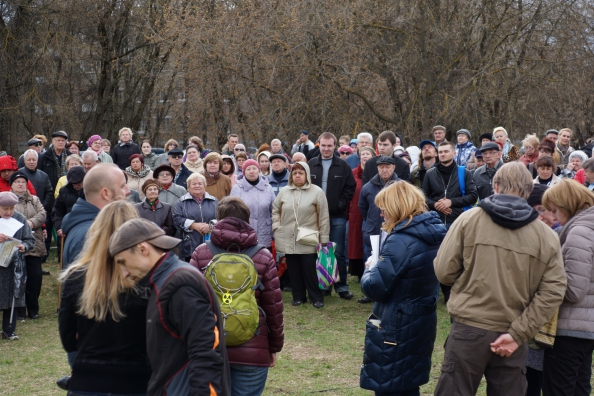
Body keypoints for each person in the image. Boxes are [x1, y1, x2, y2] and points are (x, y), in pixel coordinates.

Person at [433, 162, 567, 395]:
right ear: (528, 191)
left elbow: (444, 271)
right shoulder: (546, 235)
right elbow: (553, 291)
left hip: (468, 329)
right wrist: (519, 334)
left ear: (495, 185)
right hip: (512, 331)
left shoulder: (468, 220)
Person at [110, 218, 230, 395]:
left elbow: (206, 352)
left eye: (123, 262)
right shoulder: (162, 281)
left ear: (143, 249)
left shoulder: (179, 285)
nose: (124, 273)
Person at [360, 181, 447, 396]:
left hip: (395, 326)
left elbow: (374, 288)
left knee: (390, 385)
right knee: (407, 384)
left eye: (384, 208)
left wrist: (371, 267)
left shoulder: (401, 240)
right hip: (419, 321)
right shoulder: (431, 234)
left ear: (397, 206)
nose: (381, 214)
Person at [190, 197, 284, 396]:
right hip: (253, 349)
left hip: (209, 348)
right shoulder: (263, 255)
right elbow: (273, 307)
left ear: (217, 220)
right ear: (247, 221)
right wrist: (273, 347)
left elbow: (189, 304)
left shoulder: (201, 253)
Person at [58, 200, 152, 394]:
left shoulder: (76, 276)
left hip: (88, 380)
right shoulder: (148, 278)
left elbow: (68, 338)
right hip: (137, 381)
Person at [541, 180, 594, 395]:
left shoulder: (578, 232)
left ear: (567, 204)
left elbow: (574, 290)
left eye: (554, 210)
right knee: (580, 387)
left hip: (571, 327)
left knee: (559, 388)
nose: (553, 217)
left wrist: (544, 279)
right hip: (586, 326)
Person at [272, 162, 329, 308]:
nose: (297, 175)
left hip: (308, 238)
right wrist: (277, 226)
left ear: (307, 175)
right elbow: (276, 209)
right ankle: (298, 296)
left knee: (310, 269)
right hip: (289, 237)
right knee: (294, 269)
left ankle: (316, 297)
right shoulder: (284, 191)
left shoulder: (317, 192)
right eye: (295, 173)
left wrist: (324, 238)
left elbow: (323, 217)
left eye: (301, 173)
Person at [308, 132, 356, 300]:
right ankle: (324, 285)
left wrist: (340, 204)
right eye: (323, 145)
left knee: (338, 252)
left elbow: (350, 187)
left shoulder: (343, 166)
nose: (326, 149)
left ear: (334, 146)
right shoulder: (311, 164)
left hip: (337, 216)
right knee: (319, 251)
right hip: (315, 217)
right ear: (318, 145)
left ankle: (341, 286)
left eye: (329, 146)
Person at [61, 163, 130, 268]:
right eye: (122, 186)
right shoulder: (89, 236)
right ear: (105, 193)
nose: (128, 191)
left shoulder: (94, 226)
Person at [10, 172, 46, 320]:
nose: (20, 184)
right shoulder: (7, 200)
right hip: (16, 244)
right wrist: (24, 225)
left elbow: (42, 213)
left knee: (35, 277)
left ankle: (33, 308)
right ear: (11, 184)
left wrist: (31, 223)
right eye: (17, 182)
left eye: (23, 182)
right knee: (17, 278)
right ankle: (19, 310)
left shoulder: (34, 199)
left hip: (34, 243)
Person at [0, 192, 34, 340]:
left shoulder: (20, 219)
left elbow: (30, 240)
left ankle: (8, 329)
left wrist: (24, 246)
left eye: (11, 209)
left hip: (13, 265)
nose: (8, 212)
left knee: (11, 296)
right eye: (4, 209)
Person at [422, 141, 478, 229]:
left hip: (458, 221)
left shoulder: (464, 172)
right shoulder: (429, 174)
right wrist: (435, 204)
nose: (443, 154)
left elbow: (473, 196)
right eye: (440, 152)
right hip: (435, 222)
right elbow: (422, 197)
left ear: (454, 153)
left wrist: (451, 202)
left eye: (446, 151)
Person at [172, 172, 218, 262]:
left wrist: (210, 226)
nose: (197, 186)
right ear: (188, 187)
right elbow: (176, 219)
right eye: (194, 184)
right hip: (190, 245)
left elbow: (222, 219)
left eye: (200, 183)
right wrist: (193, 225)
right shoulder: (181, 202)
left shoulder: (214, 201)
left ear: (204, 185)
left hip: (211, 245)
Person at [230, 160, 276, 249]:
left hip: (264, 235)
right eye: (248, 169)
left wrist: (274, 233)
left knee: (263, 261)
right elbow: (231, 213)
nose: (251, 171)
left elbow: (274, 211)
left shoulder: (268, 188)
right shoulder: (237, 189)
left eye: (254, 168)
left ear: (259, 170)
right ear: (244, 172)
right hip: (243, 235)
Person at [348, 146, 375, 285]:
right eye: (362, 154)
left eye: (367, 154)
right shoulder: (352, 173)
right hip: (356, 212)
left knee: (369, 243)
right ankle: (358, 271)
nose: (365, 156)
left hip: (371, 213)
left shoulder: (375, 173)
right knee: (356, 241)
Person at [19, 149, 54, 219]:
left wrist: (42, 206)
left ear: (37, 161)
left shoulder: (44, 175)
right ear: (24, 160)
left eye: (34, 160)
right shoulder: (18, 174)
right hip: (22, 212)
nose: (31, 162)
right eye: (29, 160)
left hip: (40, 212)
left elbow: (49, 193)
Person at [53, 166, 86, 238]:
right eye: (73, 184)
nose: (76, 186)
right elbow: (58, 211)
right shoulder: (64, 191)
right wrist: (59, 227)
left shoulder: (90, 191)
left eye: (79, 184)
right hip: (69, 228)